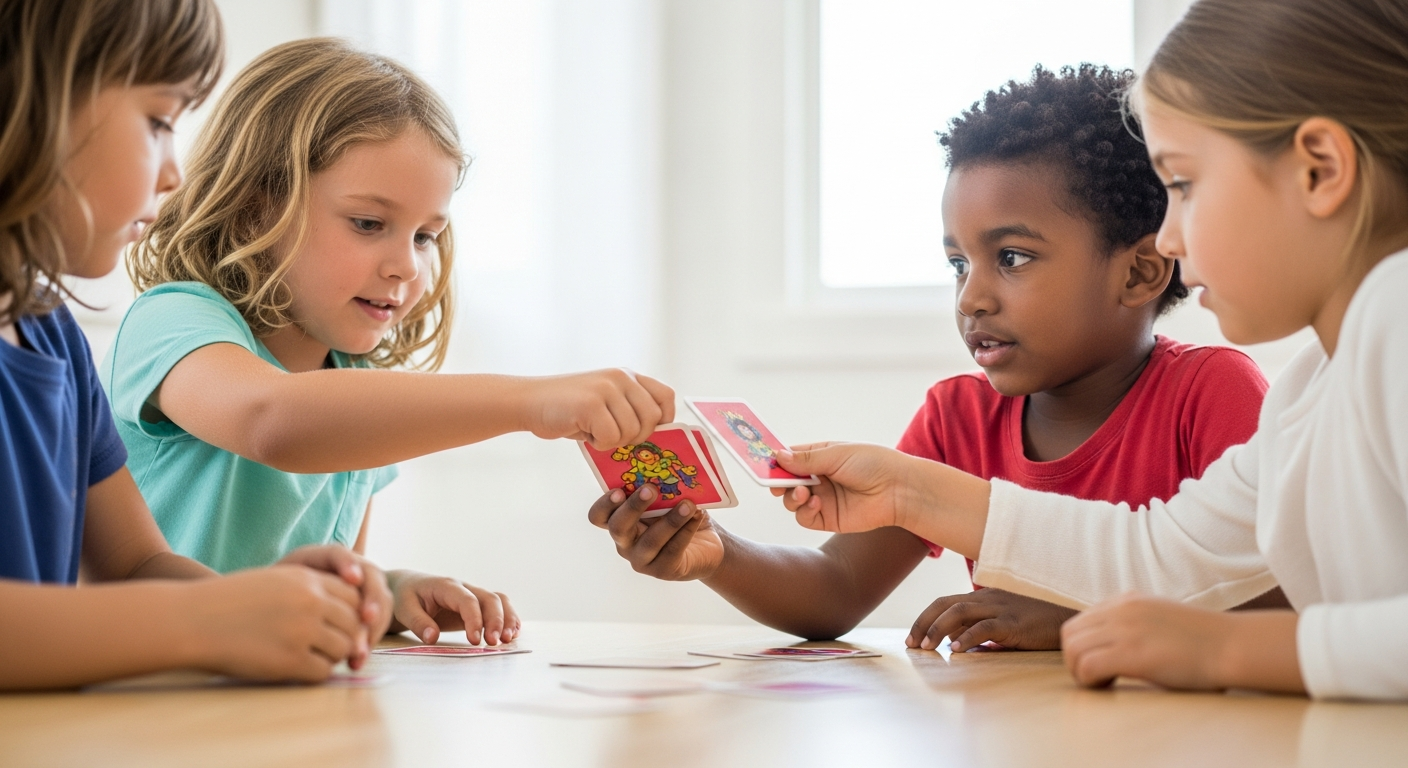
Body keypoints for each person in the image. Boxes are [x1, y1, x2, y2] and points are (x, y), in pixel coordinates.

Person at [772, 0, 1408, 701]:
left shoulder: (1395, 312)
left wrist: (1225, 648)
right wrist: (906, 490)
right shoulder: (1311, 389)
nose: (1170, 237)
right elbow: (1162, 554)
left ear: (1320, 169)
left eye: (1184, 185)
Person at [588, 65, 1272, 649]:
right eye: (958, 264)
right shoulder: (958, 417)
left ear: (1139, 272)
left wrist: (1078, 622)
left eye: (1012, 257)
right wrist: (716, 554)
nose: (971, 297)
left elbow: (1278, 609)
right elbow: (835, 589)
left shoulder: (1212, 393)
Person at [103, 38, 675, 648]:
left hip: (264, 687)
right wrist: (528, 402)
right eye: (369, 224)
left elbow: (321, 576)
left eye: (425, 236)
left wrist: (390, 593)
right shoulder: (173, 321)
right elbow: (272, 422)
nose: (406, 265)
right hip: (143, 677)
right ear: (254, 210)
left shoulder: (356, 387)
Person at [0, 0, 391, 690]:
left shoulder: (53, 339)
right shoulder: (170, 320)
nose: (174, 173)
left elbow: (135, 564)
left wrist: (261, 606)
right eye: (158, 122)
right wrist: (210, 622)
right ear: (29, 101)